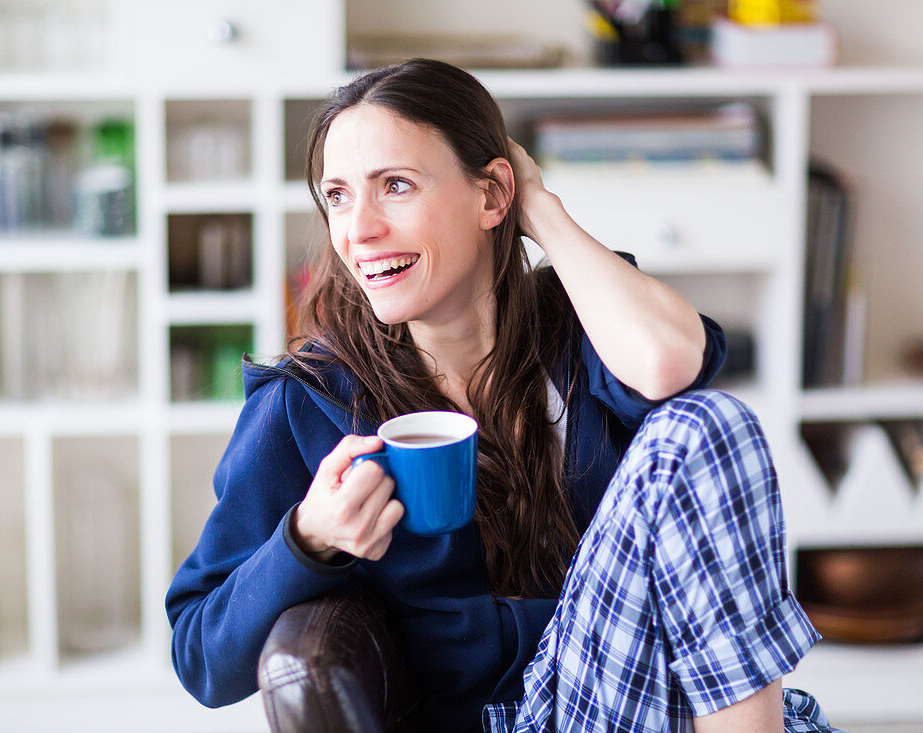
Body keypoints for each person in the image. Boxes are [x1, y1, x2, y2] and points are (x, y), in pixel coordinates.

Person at [166, 58, 841, 732]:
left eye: (395, 185)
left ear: (492, 197)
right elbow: (201, 655)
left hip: (642, 699)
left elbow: (669, 364)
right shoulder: (309, 400)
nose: (358, 230)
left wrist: (542, 210)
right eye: (338, 196)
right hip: (499, 719)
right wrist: (308, 538)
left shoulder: (581, 324)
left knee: (706, 421)